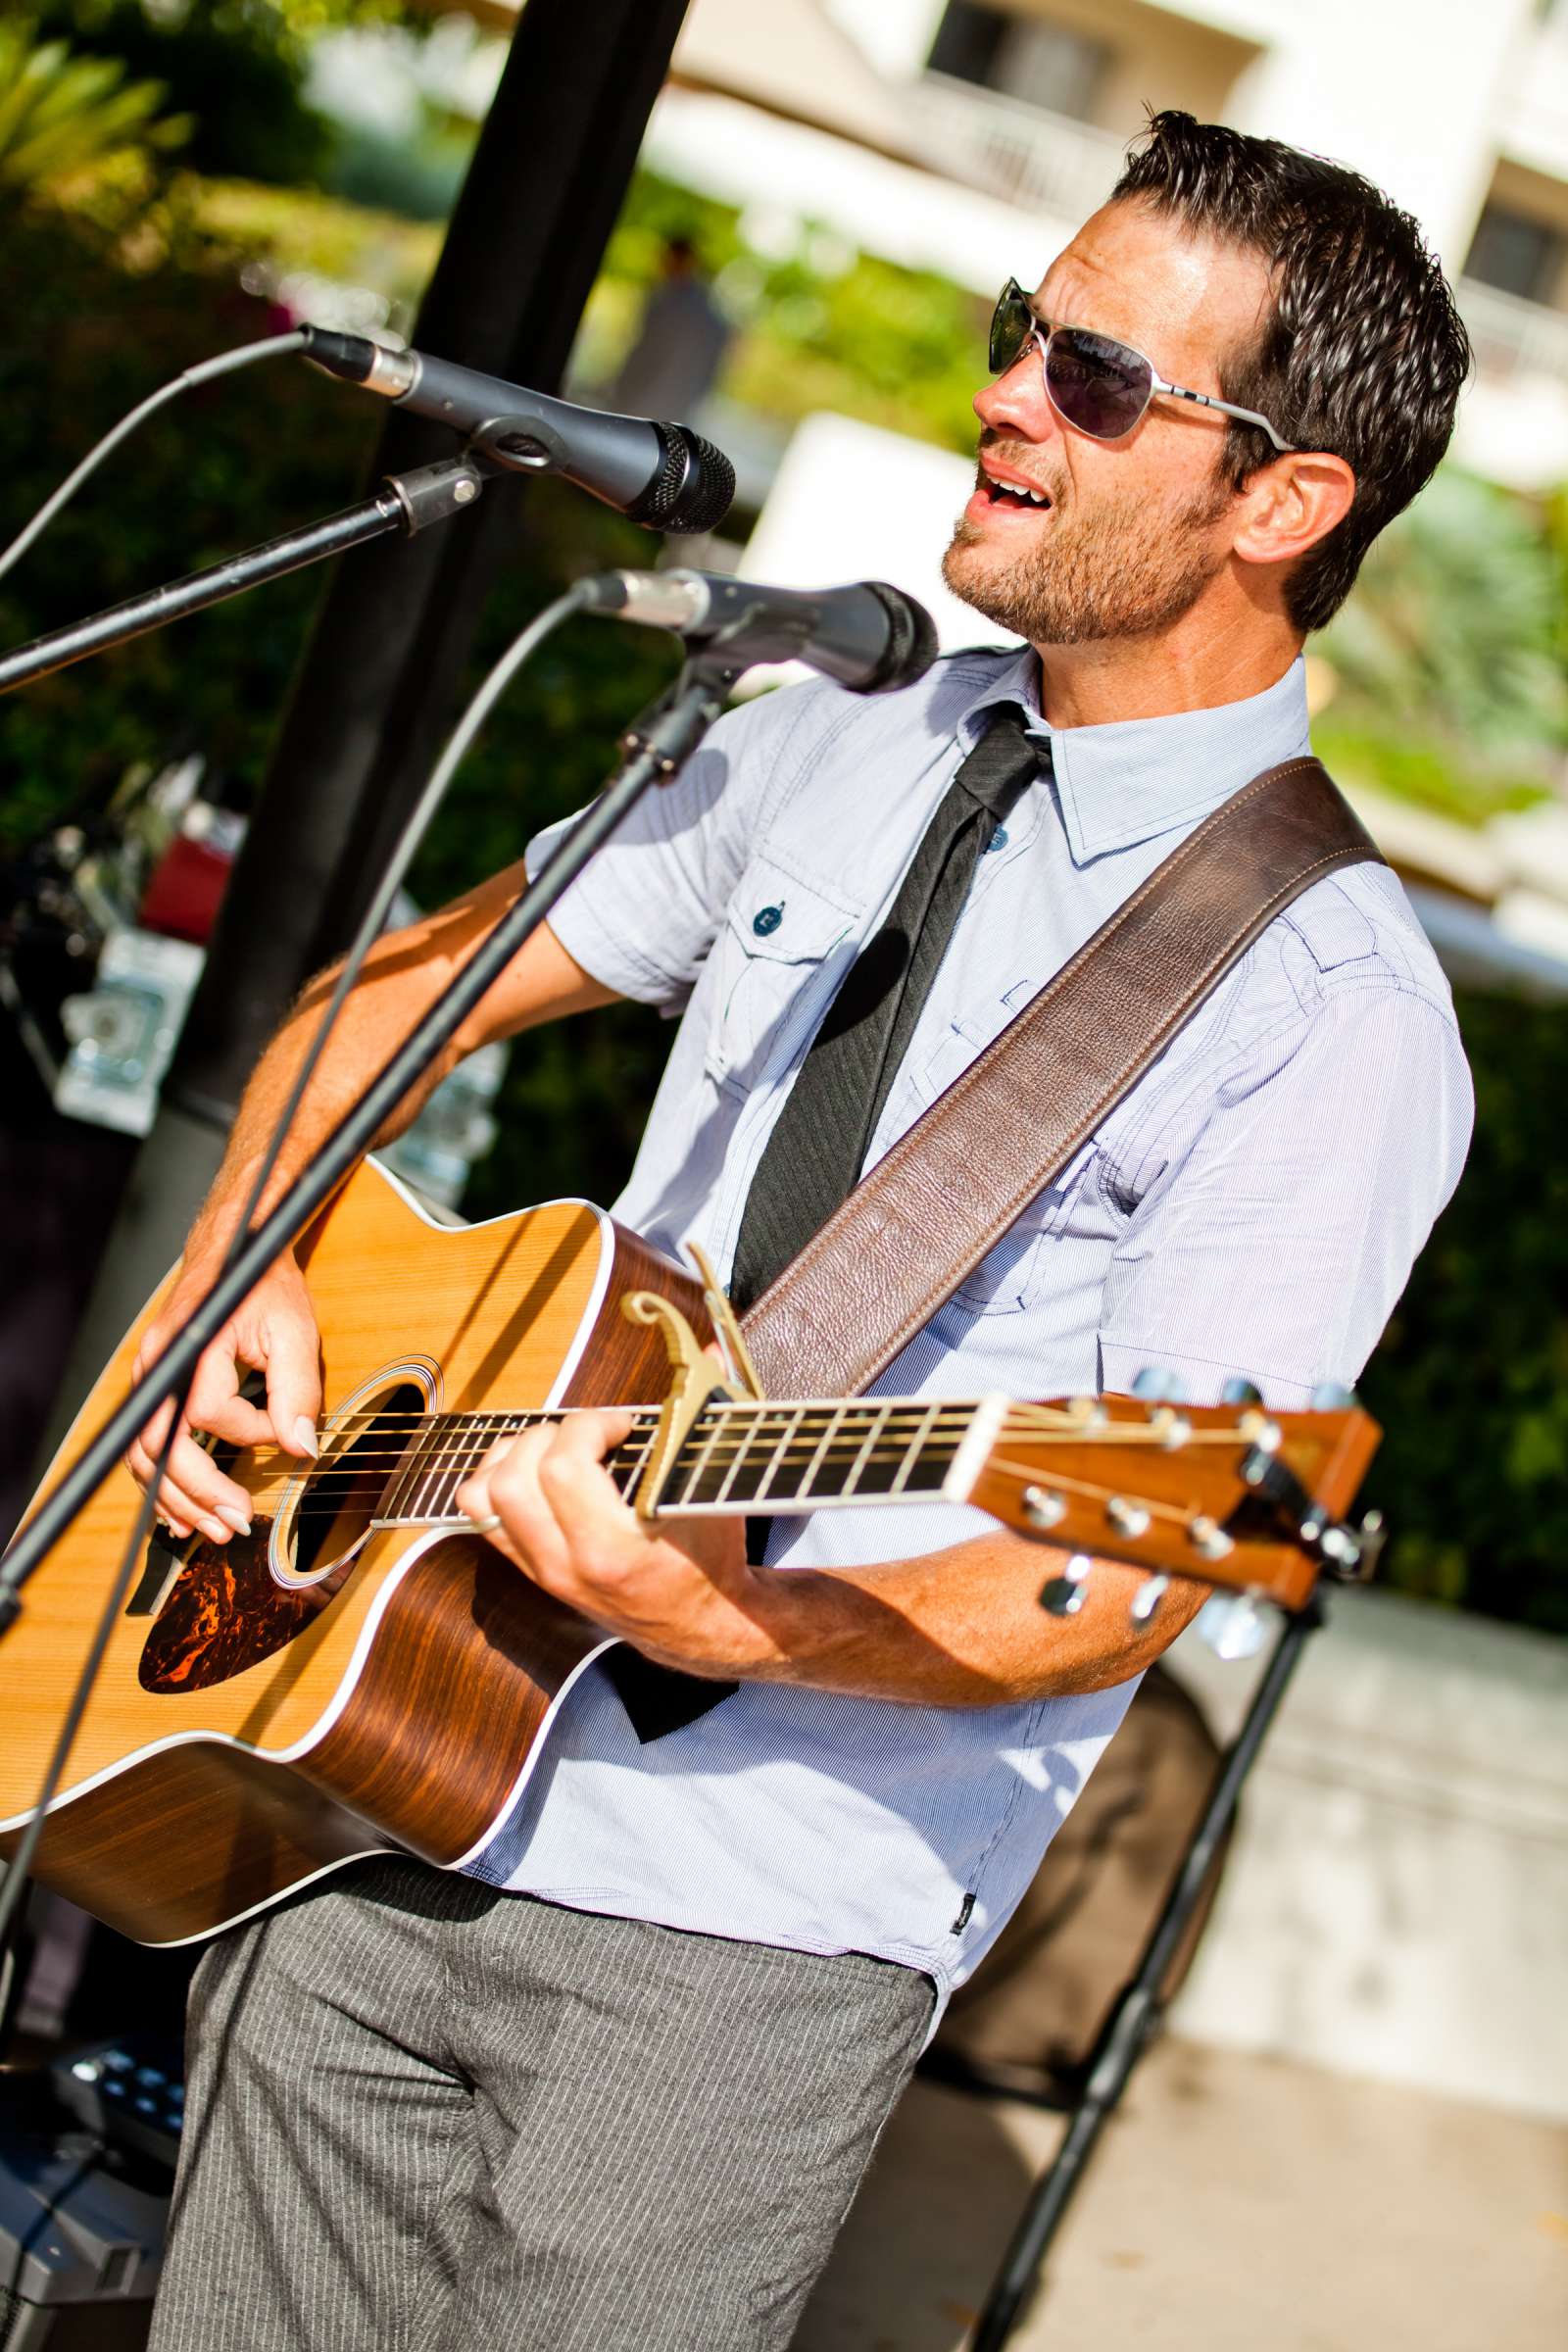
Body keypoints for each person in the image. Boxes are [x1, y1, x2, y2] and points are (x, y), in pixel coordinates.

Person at [135, 114, 1473, 2351]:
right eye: (1014, 334)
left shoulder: (1322, 1014)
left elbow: (1119, 1567)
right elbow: (374, 1002)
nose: (1004, 396)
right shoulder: (819, 724)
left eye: (1096, 379)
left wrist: (726, 1622)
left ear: (1278, 502)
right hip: (373, 1760)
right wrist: (230, 1284)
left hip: (743, 1934)